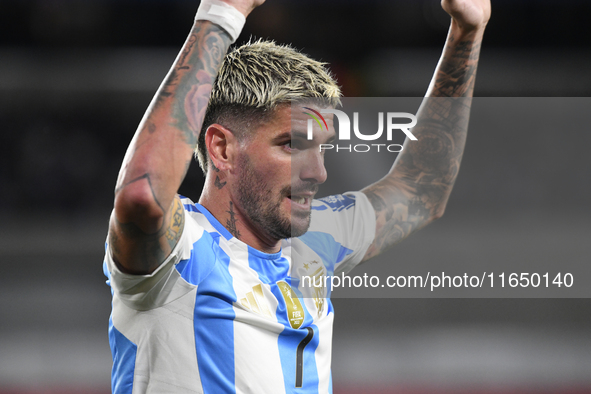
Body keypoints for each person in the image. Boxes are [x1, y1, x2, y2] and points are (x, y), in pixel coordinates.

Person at [103, 0, 491, 392]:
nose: (318, 172)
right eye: (292, 145)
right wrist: (222, 14)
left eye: (321, 147)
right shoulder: (178, 253)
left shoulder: (316, 241)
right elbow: (142, 195)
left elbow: (422, 187)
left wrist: (466, 31)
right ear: (222, 149)